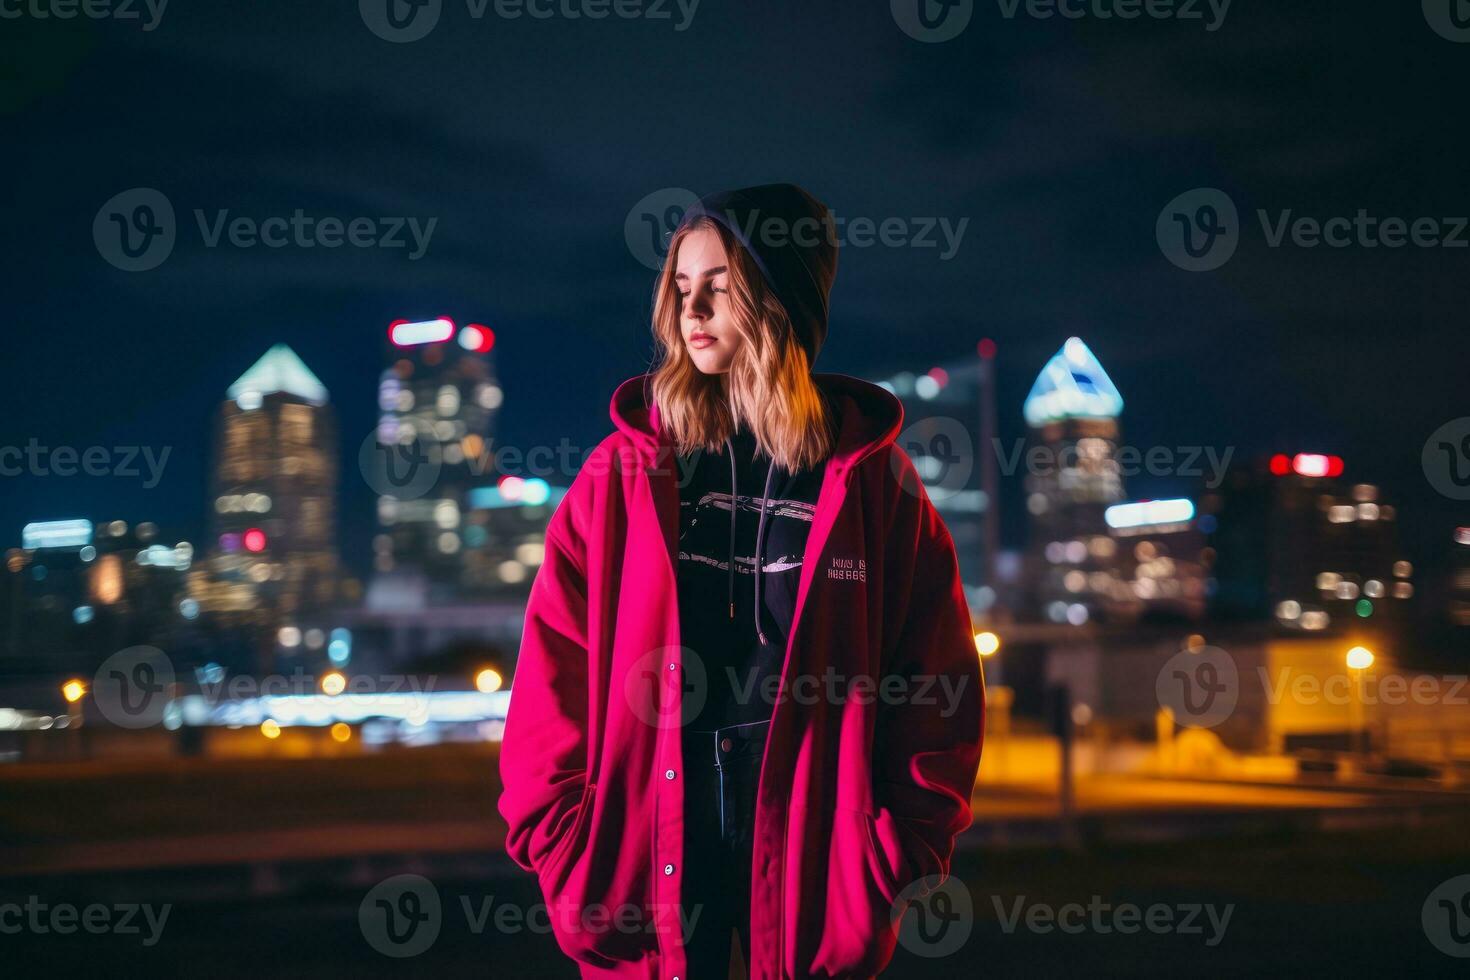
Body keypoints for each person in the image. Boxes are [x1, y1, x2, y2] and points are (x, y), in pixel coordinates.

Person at [499, 183, 983, 978]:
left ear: (777, 299)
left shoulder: (870, 483)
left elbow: (938, 677)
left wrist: (900, 847)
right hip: (647, 832)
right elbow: (551, 666)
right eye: (682, 289)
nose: (693, 310)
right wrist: (559, 838)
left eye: (718, 288)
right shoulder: (620, 474)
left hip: (811, 836)